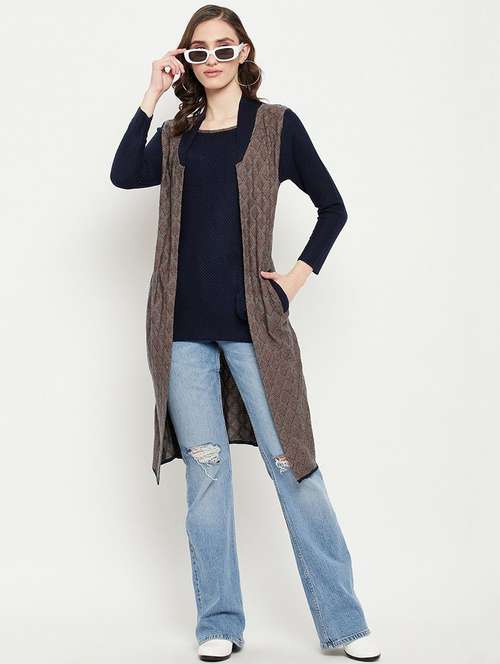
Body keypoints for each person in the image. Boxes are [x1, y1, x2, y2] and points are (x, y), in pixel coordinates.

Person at [110, 5, 381, 662]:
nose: (211, 60)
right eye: (197, 51)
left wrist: (293, 280)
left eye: (223, 48)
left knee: (295, 466)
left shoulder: (277, 126)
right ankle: (220, 621)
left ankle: (344, 623)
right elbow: (123, 172)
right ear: (186, 61)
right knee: (206, 479)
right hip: (181, 333)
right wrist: (151, 91)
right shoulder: (178, 135)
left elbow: (333, 207)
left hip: (254, 327)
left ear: (244, 53)